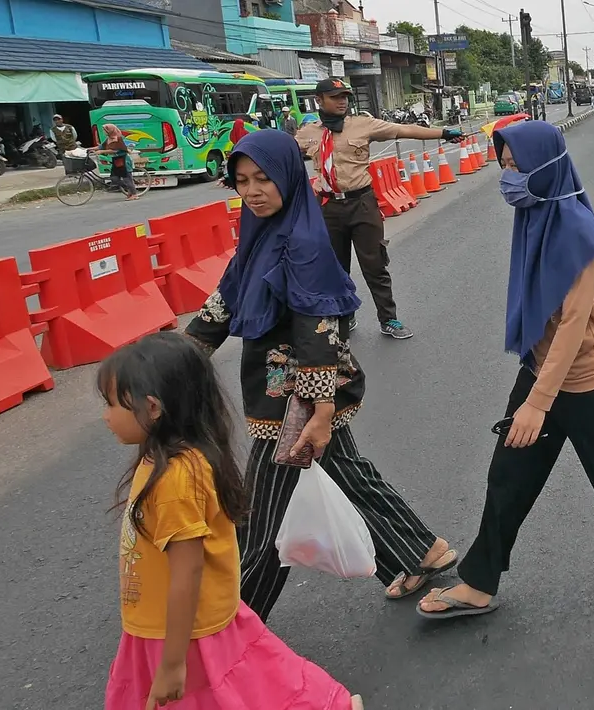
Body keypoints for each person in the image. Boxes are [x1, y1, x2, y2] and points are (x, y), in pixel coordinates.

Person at [184, 130, 457, 622]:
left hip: (296, 397)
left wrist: (318, 407)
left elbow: (318, 326)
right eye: (242, 181)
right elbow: (223, 304)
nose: (252, 191)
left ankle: (233, 621)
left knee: (266, 513)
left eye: (264, 179)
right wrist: (177, 359)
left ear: (288, 176)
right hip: (286, 389)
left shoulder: (303, 242)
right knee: (345, 472)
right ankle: (419, 550)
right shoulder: (257, 235)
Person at [416, 121, 594, 621]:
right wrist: (535, 390)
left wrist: (537, 402)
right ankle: (478, 582)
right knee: (508, 475)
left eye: (517, 167)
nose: (508, 178)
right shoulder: (536, 215)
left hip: (590, 380)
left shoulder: (574, 228)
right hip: (543, 370)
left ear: (547, 167)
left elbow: (574, 326)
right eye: (505, 167)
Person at [97, 333, 364, 710]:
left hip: (185, 629)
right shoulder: (169, 459)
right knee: (249, 679)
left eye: (111, 404)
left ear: (153, 408)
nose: (106, 416)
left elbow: (186, 574)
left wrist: (172, 664)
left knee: (231, 688)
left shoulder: (174, 479)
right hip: (167, 621)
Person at [296, 78, 463, 339]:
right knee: (335, 268)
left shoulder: (363, 125)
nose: (342, 101)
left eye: (345, 96)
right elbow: (279, 155)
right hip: (328, 207)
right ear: (319, 100)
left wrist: (443, 133)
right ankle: (344, 315)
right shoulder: (308, 133)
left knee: (374, 265)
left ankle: (389, 319)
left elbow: (403, 130)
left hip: (362, 203)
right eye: (335, 96)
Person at [92, 124, 139, 201]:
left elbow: (115, 150)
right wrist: (89, 149)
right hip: (116, 160)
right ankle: (129, 188)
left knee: (127, 178)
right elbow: (100, 147)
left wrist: (101, 151)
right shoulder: (108, 139)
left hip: (124, 160)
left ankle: (134, 194)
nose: (104, 132)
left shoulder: (118, 139)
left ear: (110, 130)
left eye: (105, 130)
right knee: (114, 178)